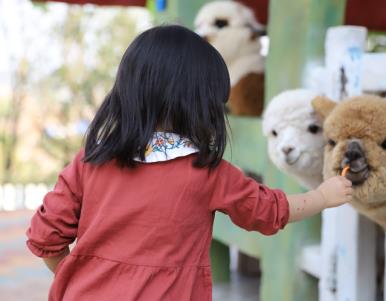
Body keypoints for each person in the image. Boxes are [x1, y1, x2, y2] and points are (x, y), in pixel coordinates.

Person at [26, 25, 352, 301]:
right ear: (199, 104)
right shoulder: (207, 172)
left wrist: (78, 277)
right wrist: (323, 196)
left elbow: (45, 238)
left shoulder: (90, 160)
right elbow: (269, 211)